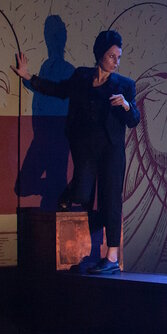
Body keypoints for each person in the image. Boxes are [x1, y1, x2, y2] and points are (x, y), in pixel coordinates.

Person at [11, 30, 140, 274]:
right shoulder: (81, 76)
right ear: (100, 54)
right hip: (85, 149)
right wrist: (28, 77)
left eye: (118, 57)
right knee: (82, 192)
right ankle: (72, 202)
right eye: (112, 56)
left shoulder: (125, 85)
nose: (116, 62)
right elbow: (59, 90)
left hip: (111, 151)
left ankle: (111, 257)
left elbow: (134, 119)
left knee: (110, 199)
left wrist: (125, 105)